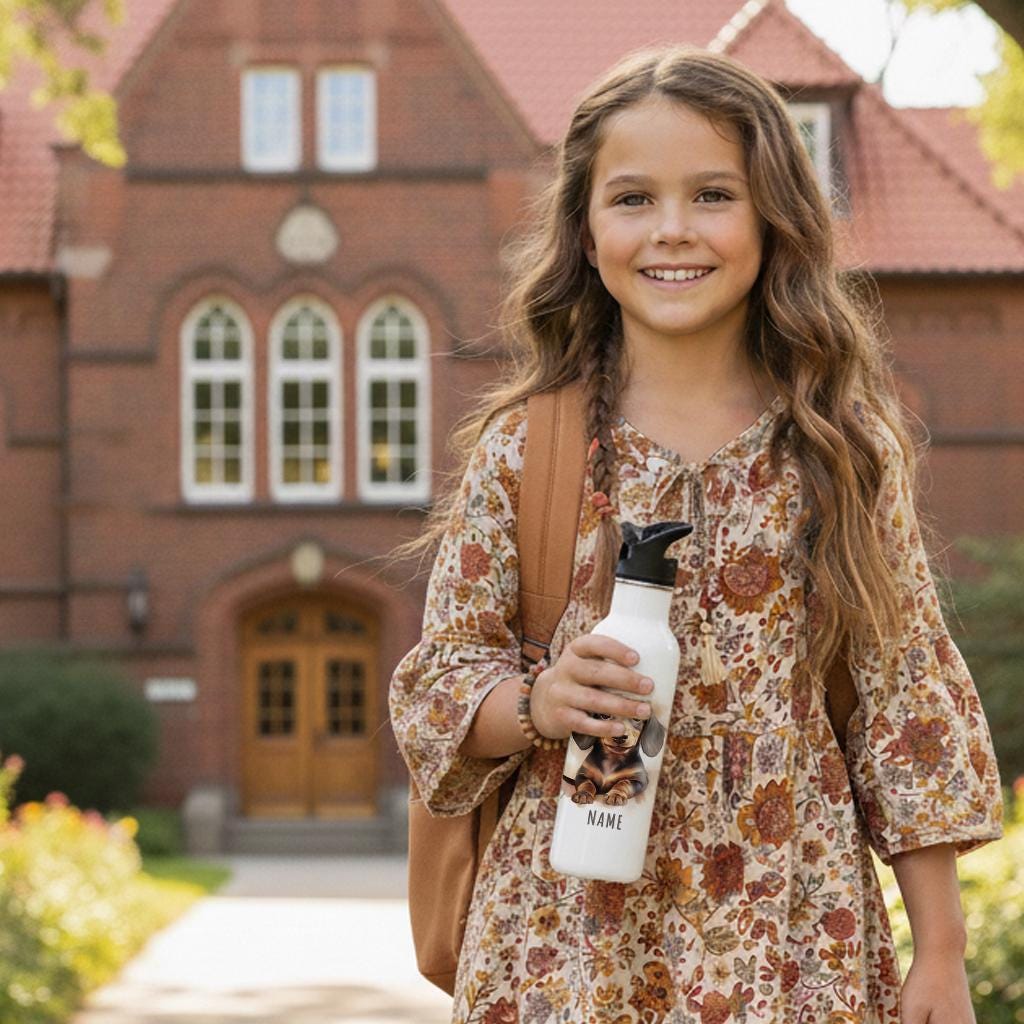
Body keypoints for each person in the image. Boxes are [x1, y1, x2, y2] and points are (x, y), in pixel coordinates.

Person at [388, 44, 1003, 1024]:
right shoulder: (527, 449)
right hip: (565, 945)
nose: (671, 230)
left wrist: (940, 951)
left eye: (713, 194)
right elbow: (441, 684)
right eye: (632, 199)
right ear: (585, 234)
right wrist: (540, 700)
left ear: (770, 220)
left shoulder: (839, 451)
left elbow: (902, 698)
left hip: (794, 932)